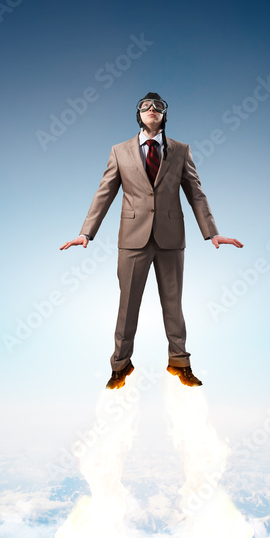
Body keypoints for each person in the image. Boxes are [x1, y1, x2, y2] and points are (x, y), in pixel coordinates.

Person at [60, 92, 243, 389]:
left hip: (171, 239)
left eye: (158, 107)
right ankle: (120, 365)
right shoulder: (119, 151)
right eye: (145, 106)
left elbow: (195, 192)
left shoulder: (182, 150)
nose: (152, 110)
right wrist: (86, 232)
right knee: (127, 305)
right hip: (132, 240)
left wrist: (212, 231)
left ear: (164, 114)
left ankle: (179, 362)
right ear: (139, 114)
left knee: (174, 306)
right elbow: (104, 192)